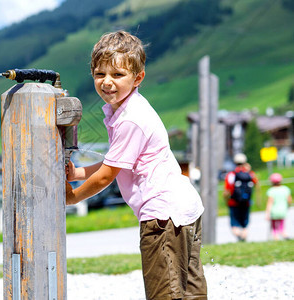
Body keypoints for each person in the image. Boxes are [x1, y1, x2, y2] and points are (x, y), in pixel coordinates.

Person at [65, 30, 207, 300]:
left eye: (117, 75)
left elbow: (107, 176)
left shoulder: (131, 118)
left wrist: (72, 197)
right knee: (190, 292)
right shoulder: (126, 109)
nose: (107, 82)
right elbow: (116, 163)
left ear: (138, 77)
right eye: (100, 74)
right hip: (183, 208)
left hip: (162, 217)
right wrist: (79, 172)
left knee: (164, 294)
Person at [223, 153, 258, 242]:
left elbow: (227, 191)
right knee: (245, 224)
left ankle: (240, 237)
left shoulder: (231, 174)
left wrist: (226, 200)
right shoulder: (250, 174)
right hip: (246, 202)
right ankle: (244, 238)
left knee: (234, 224)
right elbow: (256, 184)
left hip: (233, 202)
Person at [265, 173, 291, 240]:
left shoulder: (271, 190)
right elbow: (289, 200)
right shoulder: (285, 189)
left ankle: (275, 236)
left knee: (274, 226)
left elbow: (269, 203)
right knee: (281, 224)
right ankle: (283, 233)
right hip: (283, 210)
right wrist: (288, 206)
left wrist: (267, 213)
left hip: (274, 211)